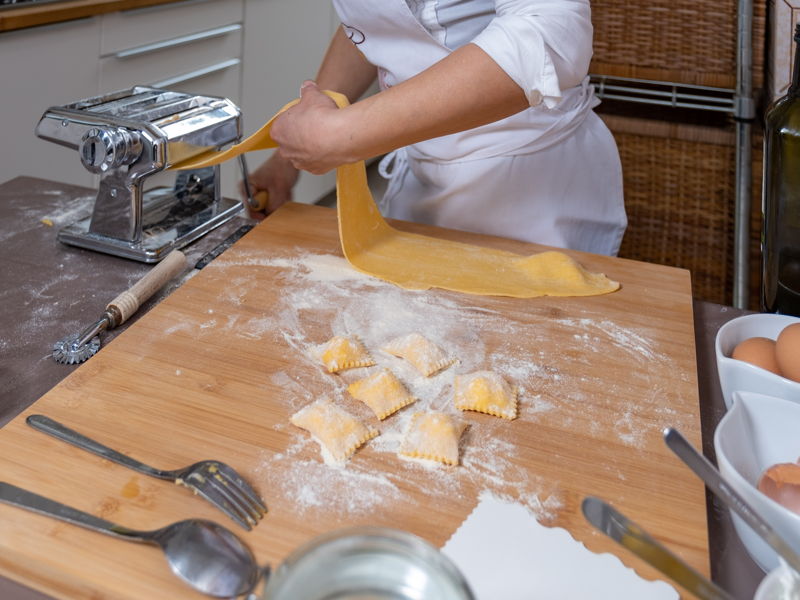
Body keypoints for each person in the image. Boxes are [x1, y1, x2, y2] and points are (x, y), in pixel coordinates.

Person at [245, 0, 627, 256]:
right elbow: (376, 22)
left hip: (533, 186)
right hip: (419, 182)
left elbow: (551, 33)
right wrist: (285, 159)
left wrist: (343, 135)